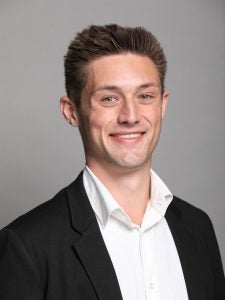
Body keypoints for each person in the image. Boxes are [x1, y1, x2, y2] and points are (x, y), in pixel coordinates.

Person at [0, 24, 224, 300]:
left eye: (145, 96)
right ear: (71, 111)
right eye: (109, 98)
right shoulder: (27, 246)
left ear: (162, 105)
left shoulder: (198, 228)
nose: (130, 115)